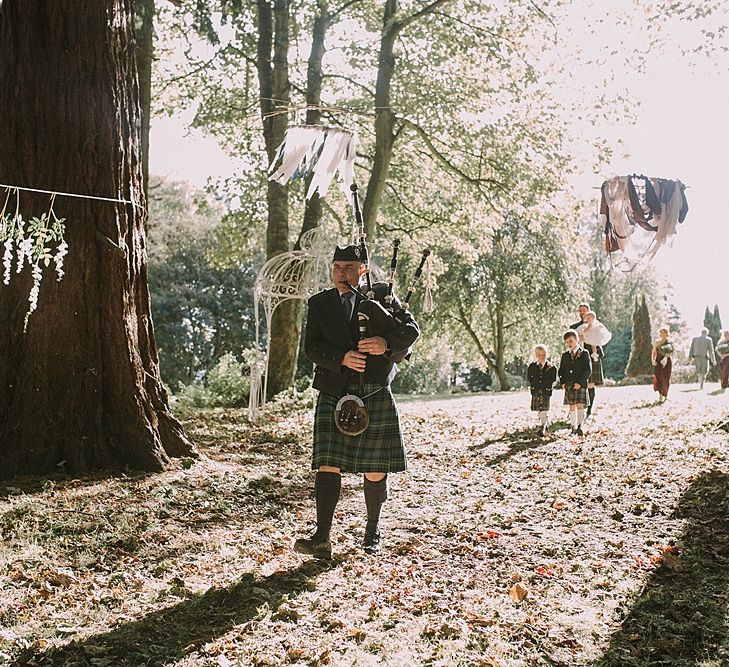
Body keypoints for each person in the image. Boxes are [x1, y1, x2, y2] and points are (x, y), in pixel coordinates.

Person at [294, 244, 420, 560]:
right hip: (334, 390)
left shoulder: (383, 298)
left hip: (374, 388)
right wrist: (342, 358)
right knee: (327, 461)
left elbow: (411, 331)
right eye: (337, 267)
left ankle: (372, 531)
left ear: (362, 269)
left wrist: (386, 343)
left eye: (349, 267)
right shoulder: (320, 304)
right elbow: (311, 347)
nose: (341, 273)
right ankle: (322, 538)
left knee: (375, 466)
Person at [575, 310, 611, 417]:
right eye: (588, 317)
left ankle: (589, 409)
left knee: (591, 384)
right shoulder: (581, 328)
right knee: (582, 384)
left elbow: (599, 341)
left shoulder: (597, 328)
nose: (589, 319)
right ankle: (582, 407)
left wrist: (594, 350)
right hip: (582, 357)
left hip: (593, 356)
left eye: (591, 317)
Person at [558, 330, 592, 436]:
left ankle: (580, 426)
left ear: (577, 339)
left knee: (579, 405)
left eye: (571, 341)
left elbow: (588, 370)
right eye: (567, 342)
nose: (569, 344)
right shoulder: (565, 356)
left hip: (580, 384)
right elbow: (561, 371)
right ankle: (573, 426)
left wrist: (580, 382)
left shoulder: (584, 353)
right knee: (571, 405)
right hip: (569, 384)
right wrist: (563, 382)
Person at [527, 344, 557, 436]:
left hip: (546, 391)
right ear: (536, 355)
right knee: (539, 409)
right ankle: (544, 420)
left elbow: (553, 379)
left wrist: (548, 385)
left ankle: (543, 427)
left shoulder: (551, 367)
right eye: (539, 355)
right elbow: (529, 377)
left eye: (544, 355)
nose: (542, 357)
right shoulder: (532, 366)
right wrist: (534, 385)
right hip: (535, 390)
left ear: (547, 354)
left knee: (544, 408)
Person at [652, 326, 673, 403]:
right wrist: (653, 360)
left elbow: (671, 352)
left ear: (667, 333)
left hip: (667, 361)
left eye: (664, 332)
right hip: (658, 362)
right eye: (661, 332)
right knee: (659, 378)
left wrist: (666, 358)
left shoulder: (670, 342)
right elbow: (653, 352)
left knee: (666, 378)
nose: (662, 334)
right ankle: (660, 395)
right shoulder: (657, 342)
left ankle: (665, 395)